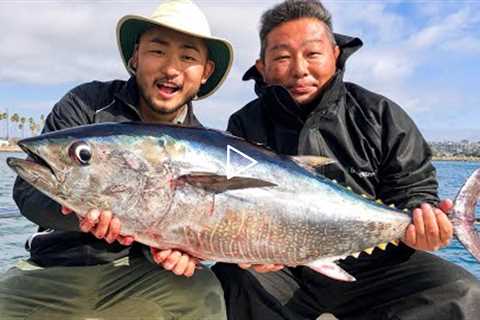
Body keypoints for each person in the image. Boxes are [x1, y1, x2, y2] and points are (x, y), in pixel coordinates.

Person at [211, 1, 480, 319]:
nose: (300, 69)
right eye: (282, 57)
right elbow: (236, 202)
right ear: (262, 66)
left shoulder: (379, 114)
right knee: (234, 278)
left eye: (312, 54)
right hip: (284, 269)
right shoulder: (244, 124)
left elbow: (413, 190)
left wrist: (422, 224)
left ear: (335, 54)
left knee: (462, 292)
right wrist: (250, 247)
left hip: (378, 268)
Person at [0, 0, 233, 319]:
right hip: (53, 268)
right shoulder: (86, 105)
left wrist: (184, 254)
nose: (171, 68)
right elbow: (27, 193)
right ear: (136, 56)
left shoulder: (210, 151)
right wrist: (80, 217)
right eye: (158, 50)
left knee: (206, 295)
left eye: (188, 56)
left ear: (205, 72)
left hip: (146, 275)